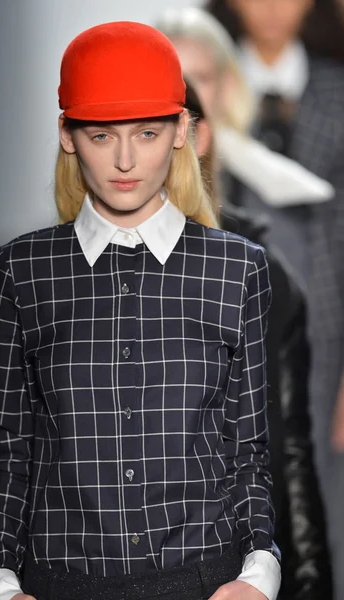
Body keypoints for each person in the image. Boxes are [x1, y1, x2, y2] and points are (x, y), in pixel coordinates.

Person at [0, 21, 281, 600]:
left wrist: (259, 576)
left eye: (145, 132)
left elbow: (249, 450)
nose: (122, 160)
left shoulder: (237, 269)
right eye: (99, 134)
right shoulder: (24, 270)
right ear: (67, 135)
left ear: (182, 131)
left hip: (206, 581)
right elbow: (11, 448)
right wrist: (0, 582)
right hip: (57, 582)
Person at [203, 3, 344, 597]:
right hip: (229, 325)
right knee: (234, 493)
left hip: (328, 329)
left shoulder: (338, 91)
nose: (270, 6)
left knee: (323, 500)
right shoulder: (210, 80)